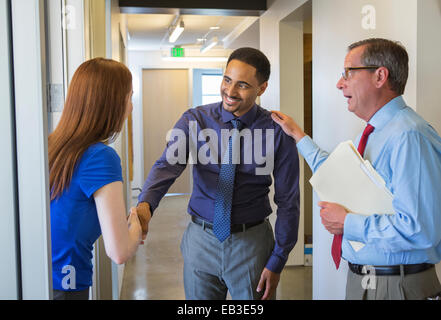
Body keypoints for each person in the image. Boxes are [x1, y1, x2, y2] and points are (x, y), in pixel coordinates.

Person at [272, 38, 441, 300]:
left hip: (396, 286)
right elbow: (344, 179)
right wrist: (298, 136)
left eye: (348, 73)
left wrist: (347, 222)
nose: (340, 83)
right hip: (368, 282)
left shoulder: (409, 136)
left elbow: (420, 229)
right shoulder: (378, 131)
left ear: (380, 76)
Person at [136, 47, 300, 300]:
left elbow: (289, 199)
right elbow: (167, 165)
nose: (230, 92)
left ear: (262, 88)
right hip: (200, 241)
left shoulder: (277, 130)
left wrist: (279, 257)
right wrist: (145, 203)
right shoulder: (195, 120)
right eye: (227, 80)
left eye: (243, 85)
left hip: (252, 243)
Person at [49, 58, 148, 300]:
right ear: (111, 103)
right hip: (68, 285)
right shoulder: (100, 157)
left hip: (40, 275)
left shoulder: (54, 145)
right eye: (129, 97)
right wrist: (135, 224)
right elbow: (120, 251)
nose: (131, 107)